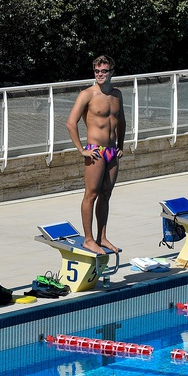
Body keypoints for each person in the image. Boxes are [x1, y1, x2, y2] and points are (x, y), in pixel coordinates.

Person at [66, 55, 126, 254]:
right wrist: (82, 149)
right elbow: (70, 123)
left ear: (112, 73)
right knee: (91, 195)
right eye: (97, 71)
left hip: (111, 152)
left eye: (104, 71)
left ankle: (102, 237)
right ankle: (88, 239)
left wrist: (120, 145)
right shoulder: (87, 95)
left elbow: (121, 121)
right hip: (96, 152)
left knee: (106, 195)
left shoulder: (117, 95)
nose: (100, 74)